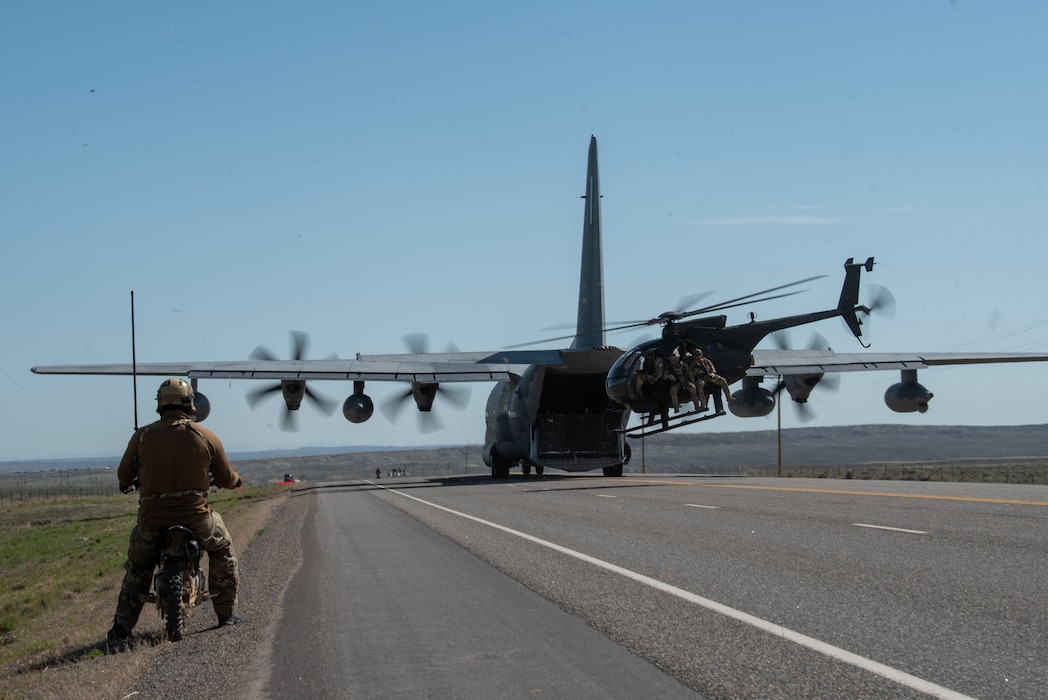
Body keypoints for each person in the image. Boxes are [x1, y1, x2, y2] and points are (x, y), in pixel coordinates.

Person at [106, 378, 243, 650]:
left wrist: (129, 484)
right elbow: (227, 478)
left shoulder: (143, 435)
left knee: (138, 567)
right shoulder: (206, 436)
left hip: (152, 522)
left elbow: (124, 475)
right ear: (190, 403)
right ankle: (225, 614)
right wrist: (237, 481)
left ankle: (121, 629)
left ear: (160, 403)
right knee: (223, 550)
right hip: (197, 519)